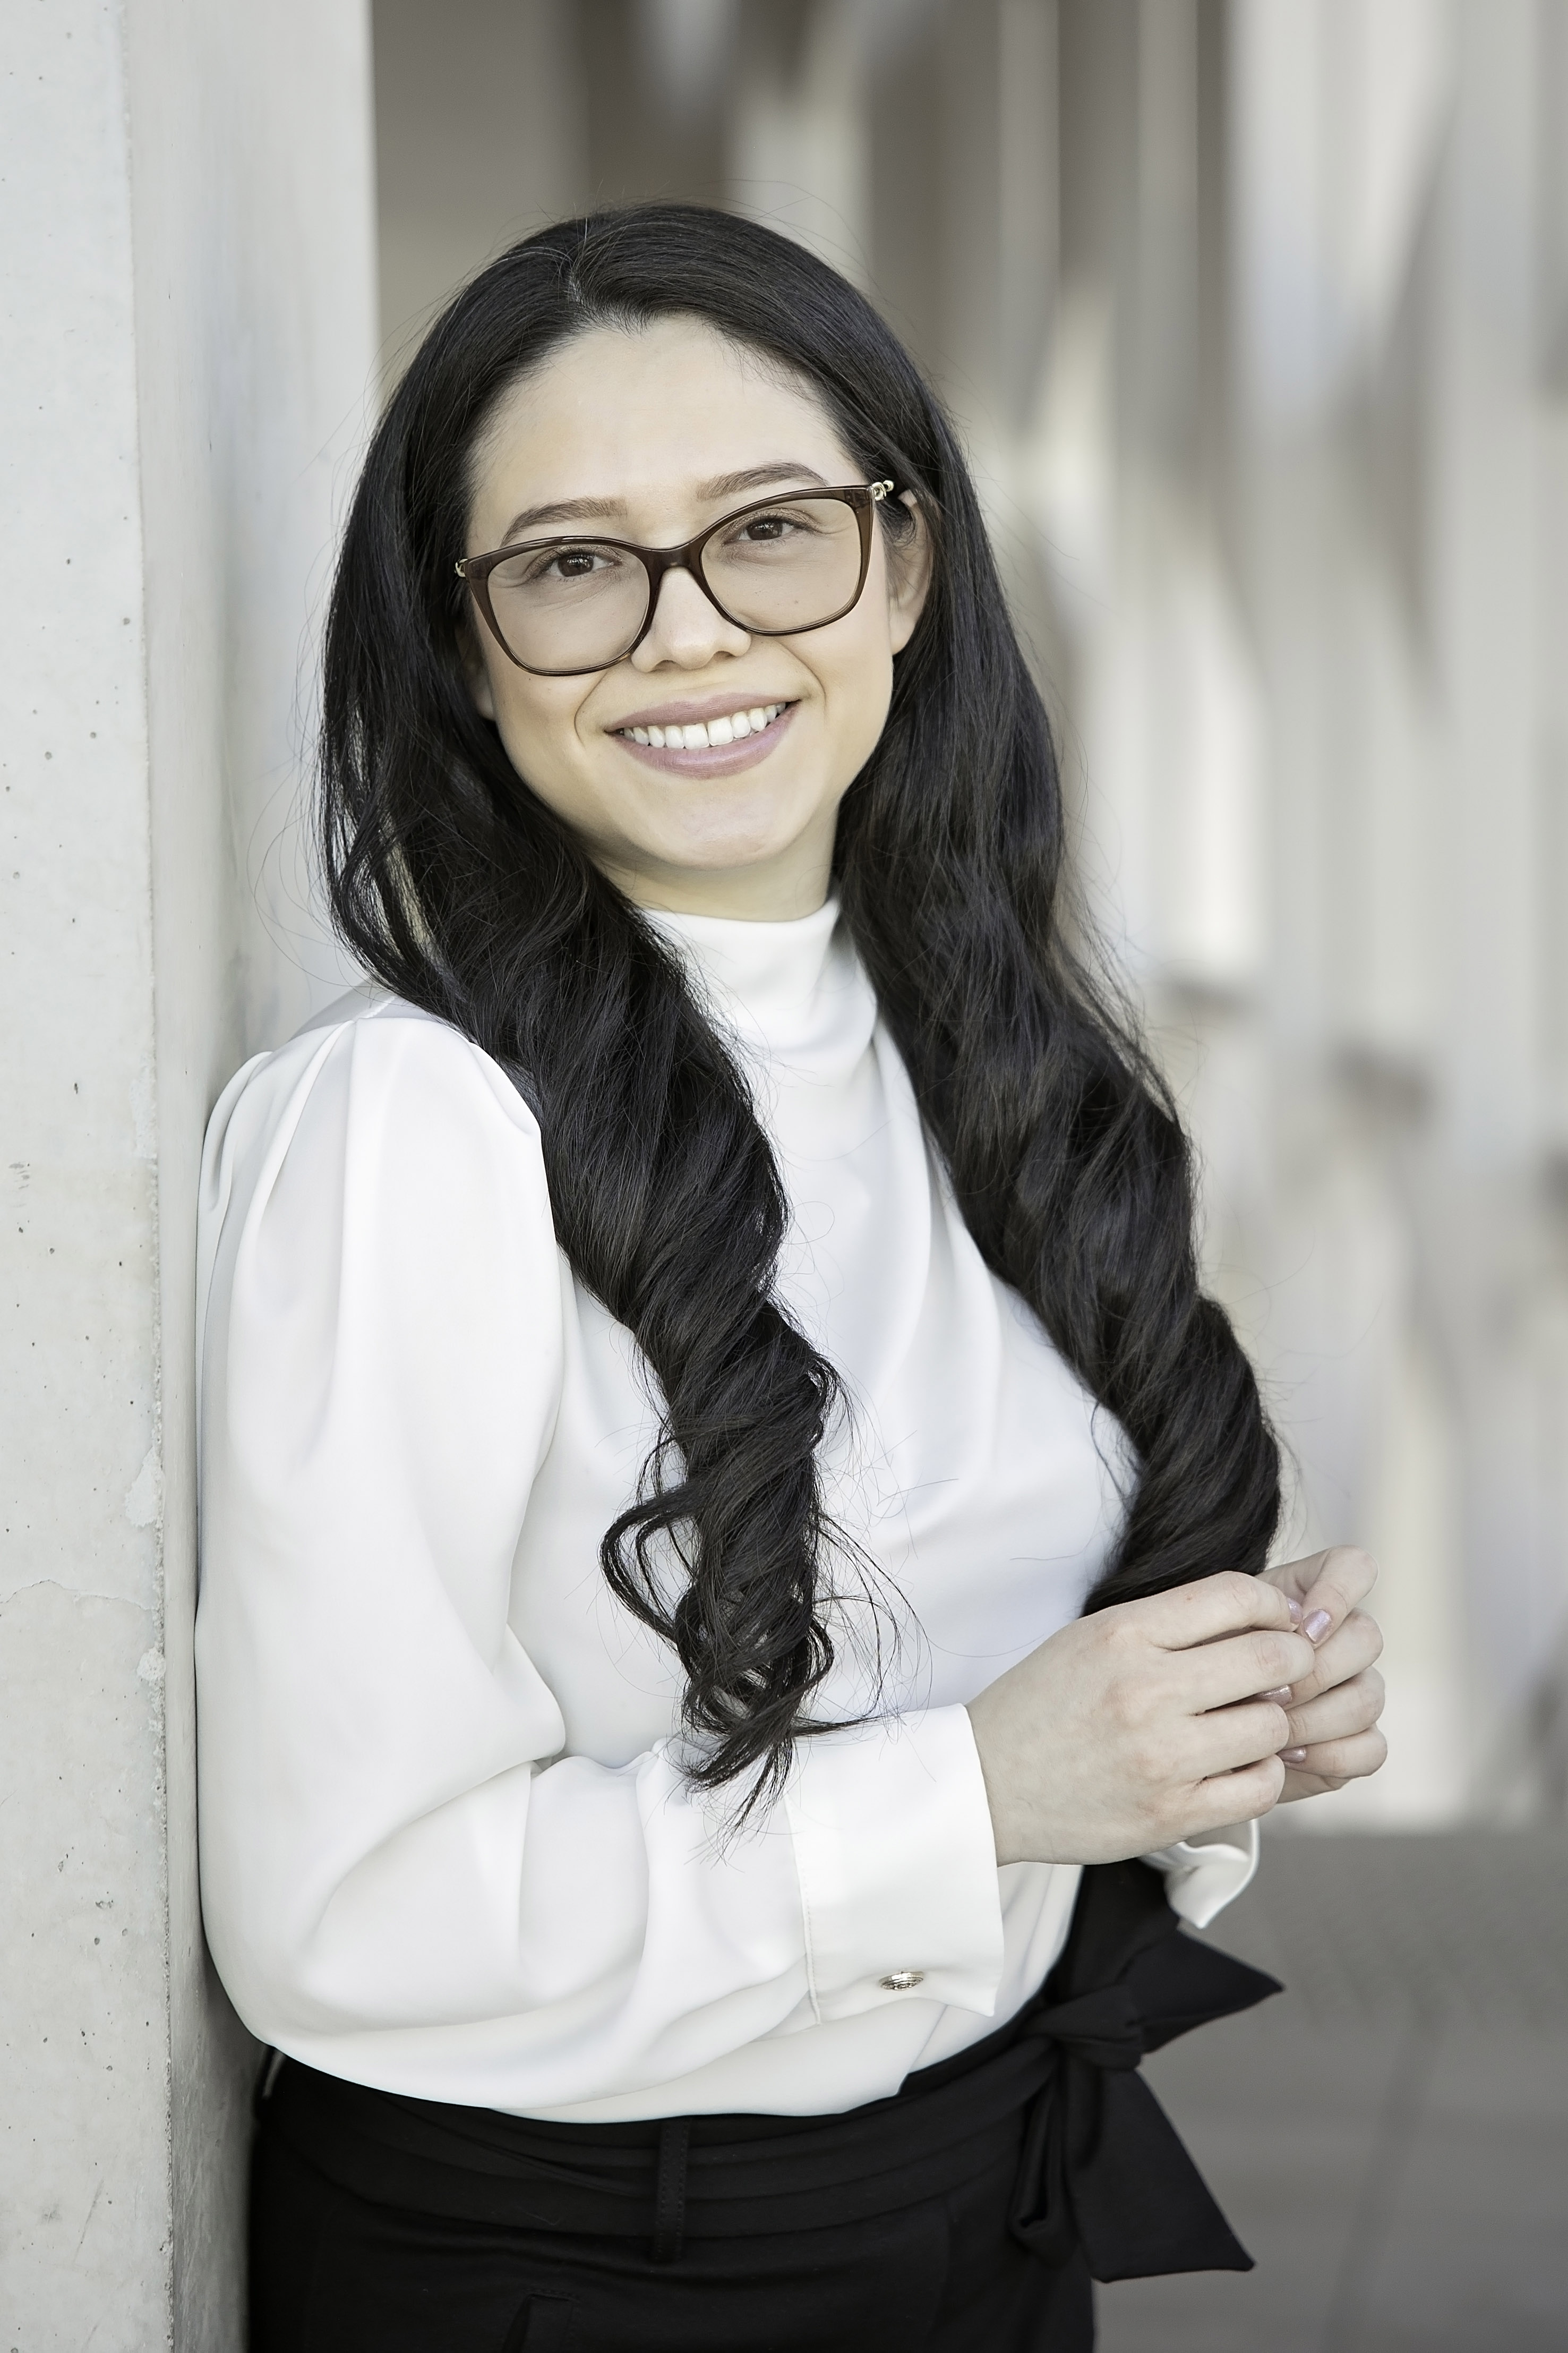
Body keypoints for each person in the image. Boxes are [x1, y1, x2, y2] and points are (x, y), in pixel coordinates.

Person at [195, 204, 1386, 2352]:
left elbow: (1028, 1713)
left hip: (989, 2202)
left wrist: (1210, 1725)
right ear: (463, 645)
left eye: (770, 532)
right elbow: (342, 1921)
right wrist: (983, 1790)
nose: (686, 634)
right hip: (575, 2277)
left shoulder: (990, 1056)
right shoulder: (406, 1131)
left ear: (904, 568)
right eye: (573, 564)